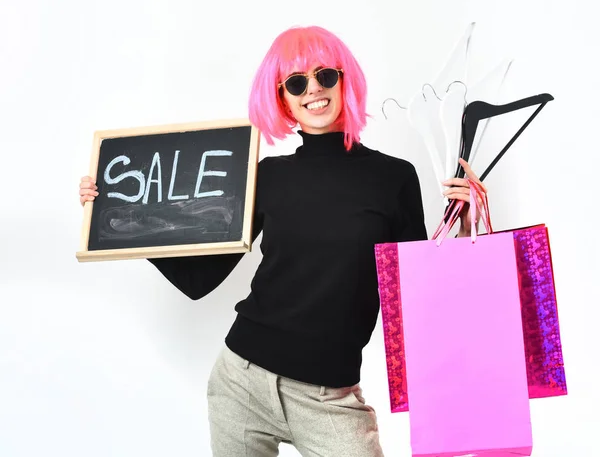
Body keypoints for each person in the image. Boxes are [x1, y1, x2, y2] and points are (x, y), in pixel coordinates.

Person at [79, 25, 486, 457]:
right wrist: (122, 218)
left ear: (344, 79)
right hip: (241, 382)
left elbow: (414, 294)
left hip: (330, 398)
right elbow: (198, 281)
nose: (313, 89)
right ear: (283, 99)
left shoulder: (395, 177)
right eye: (295, 82)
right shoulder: (266, 177)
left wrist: (464, 230)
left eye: (324, 75)